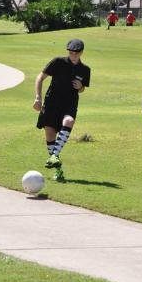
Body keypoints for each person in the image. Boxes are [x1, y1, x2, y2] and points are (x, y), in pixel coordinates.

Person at [33, 39, 91, 182]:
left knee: (69, 121)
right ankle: (58, 170)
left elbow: (83, 88)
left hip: (69, 103)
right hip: (51, 102)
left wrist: (80, 87)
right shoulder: (58, 62)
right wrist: (38, 98)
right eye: (71, 53)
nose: (73, 56)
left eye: (76, 54)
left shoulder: (85, 70)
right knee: (50, 135)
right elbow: (40, 78)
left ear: (81, 53)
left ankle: (54, 156)